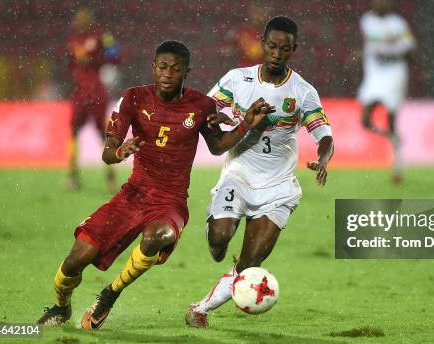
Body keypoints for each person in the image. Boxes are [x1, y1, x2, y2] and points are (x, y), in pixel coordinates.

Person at [36, 40, 273, 330]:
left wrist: (245, 124)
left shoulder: (201, 105)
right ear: (153, 67)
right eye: (162, 67)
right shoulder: (133, 98)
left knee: (155, 237)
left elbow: (217, 147)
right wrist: (120, 151)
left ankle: (110, 294)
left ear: (187, 72)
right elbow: (107, 152)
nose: (167, 74)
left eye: (176, 69)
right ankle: (61, 308)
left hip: (170, 202)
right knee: (75, 260)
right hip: (131, 195)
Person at [185, 16, 334, 328]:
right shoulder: (237, 79)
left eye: (285, 48)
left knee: (251, 263)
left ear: (295, 49)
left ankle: (199, 309)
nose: (277, 53)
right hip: (238, 176)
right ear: (262, 44)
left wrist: (323, 159)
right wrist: (217, 120)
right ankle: (215, 232)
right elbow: (208, 109)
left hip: (278, 188)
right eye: (272, 46)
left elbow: (325, 136)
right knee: (219, 240)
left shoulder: (303, 92)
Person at [358, 0, 415, 185]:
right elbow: (368, 44)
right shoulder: (367, 20)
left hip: (394, 72)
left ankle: (397, 166)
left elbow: (409, 49)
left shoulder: (398, 23)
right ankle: (393, 137)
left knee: (391, 118)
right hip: (375, 72)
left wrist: (391, 52)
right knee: (365, 120)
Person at [66, 7, 120, 192]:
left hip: (95, 92)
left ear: (89, 18)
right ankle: (73, 176)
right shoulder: (74, 39)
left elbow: (115, 55)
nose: (79, 20)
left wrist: (100, 58)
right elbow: (69, 64)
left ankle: (110, 177)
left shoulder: (101, 36)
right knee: (74, 131)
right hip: (82, 92)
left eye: (83, 16)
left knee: (101, 134)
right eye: (78, 17)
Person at [220, 2, 268, 67]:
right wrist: (234, 50)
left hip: (263, 73)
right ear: (250, 12)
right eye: (256, 13)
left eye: (261, 13)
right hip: (244, 71)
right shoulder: (241, 31)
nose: (258, 16)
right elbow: (223, 51)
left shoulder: (271, 33)